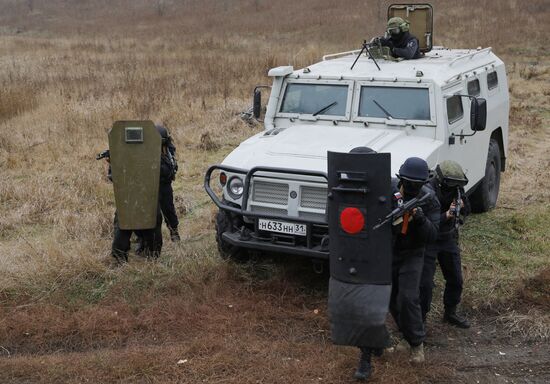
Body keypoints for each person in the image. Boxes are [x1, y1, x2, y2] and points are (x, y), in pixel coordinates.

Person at [389, 157, 440, 363]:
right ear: (401, 179)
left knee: (409, 298)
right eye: (409, 184)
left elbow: (433, 235)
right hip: (390, 250)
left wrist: (420, 219)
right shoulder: (390, 191)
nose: (412, 188)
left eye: (417, 185)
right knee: (391, 298)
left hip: (414, 252)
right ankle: (406, 335)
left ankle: (417, 344)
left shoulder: (430, 200)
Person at [420, 160, 471, 328]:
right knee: (425, 284)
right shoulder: (428, 190)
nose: (456, 186)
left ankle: (450, 312)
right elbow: (426, 220)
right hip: (430, 239)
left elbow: (467, 210)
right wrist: (446, 215)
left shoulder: (457, 189)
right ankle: (420, 320)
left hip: (448, 238)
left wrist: (461, 207)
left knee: (456, 278)